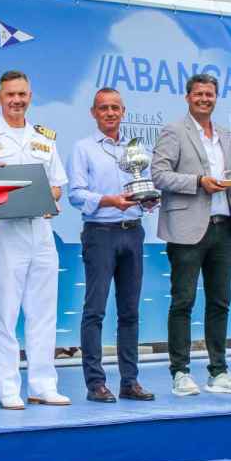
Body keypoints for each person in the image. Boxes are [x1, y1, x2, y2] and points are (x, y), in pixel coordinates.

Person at [0, 70, 69, 410]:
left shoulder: (44, 138)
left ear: (30, 97)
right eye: (10, 94)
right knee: (6, 312)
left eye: (22, 94)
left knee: (43, 311)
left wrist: (48, 200)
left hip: (40, 230)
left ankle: (43, 384)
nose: (16, 100)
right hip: (5, 233)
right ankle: (8, 387)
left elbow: (56, 185)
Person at [151, 73, 231, 397]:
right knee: (183, 301)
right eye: (198, 94)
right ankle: (180, 372)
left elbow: (224, 179)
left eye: (209, 94)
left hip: (222, 226)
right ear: (187, 97)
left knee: (220, 302)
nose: (204, 99)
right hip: (186, 230)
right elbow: (159, 175)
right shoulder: (174, 130)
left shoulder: (224, 134)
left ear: (216, 97)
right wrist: (198, 182)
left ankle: (218, 371)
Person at [67, 88, 157, 403]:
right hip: (100, 233)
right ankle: (95, 384)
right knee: (95, 310)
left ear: (123, 112)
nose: (109, 113)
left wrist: (149, 201)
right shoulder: (83, 148)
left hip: (133, 231)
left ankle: (129, 381)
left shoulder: (135, 150)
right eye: (103, 108)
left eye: (115, 108)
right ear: (94, 113)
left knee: (130, 312)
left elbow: (144, 186)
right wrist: (109, 200)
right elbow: (75, 194)